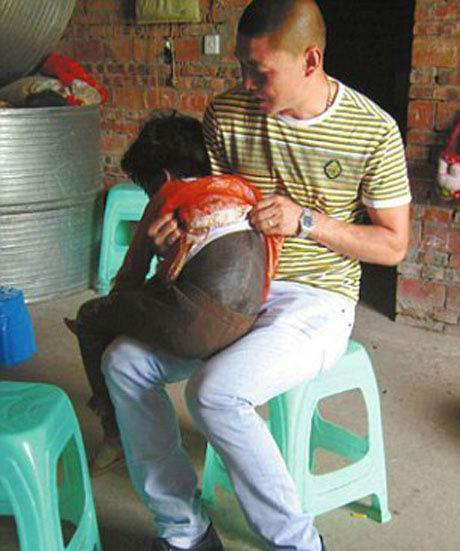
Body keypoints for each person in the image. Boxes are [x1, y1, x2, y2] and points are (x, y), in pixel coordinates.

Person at [101, 1, 411, 550]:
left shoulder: (373, 130)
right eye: (241, 67)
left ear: (310, 61)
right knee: (123, 362)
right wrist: (173, 233)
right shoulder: (227, 114)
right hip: (230, 286)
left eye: (259, 71)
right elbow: (208, 204)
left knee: (215, 393)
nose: (245, 83)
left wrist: (306, 221)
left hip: (317, 299)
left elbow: (392, 244)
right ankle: (185, 530)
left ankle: (298, 542)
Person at [66, 109, 281, 476]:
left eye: (149, 188)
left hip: (196, 324)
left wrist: (119, 305)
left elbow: (129, 281)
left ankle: (114, 433)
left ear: (164, 178)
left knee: (91, 315)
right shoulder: (240, 192)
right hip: (248, 320)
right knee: (132, 313)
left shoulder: (169, 197)